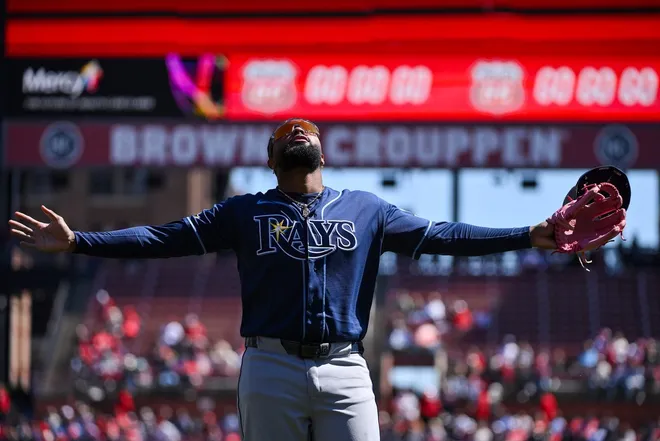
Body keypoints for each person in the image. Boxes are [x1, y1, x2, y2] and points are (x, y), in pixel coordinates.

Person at [9, 118, 557, 441]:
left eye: (306, 131)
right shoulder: (244, 211)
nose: (297, 133)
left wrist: (528, 234)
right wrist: (80, 241)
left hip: (344, 365)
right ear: (273, 158)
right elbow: (163, 237)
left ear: (322, 151)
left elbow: (447, 235)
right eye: (285, 135)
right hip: (270, 363)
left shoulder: (367, 209)